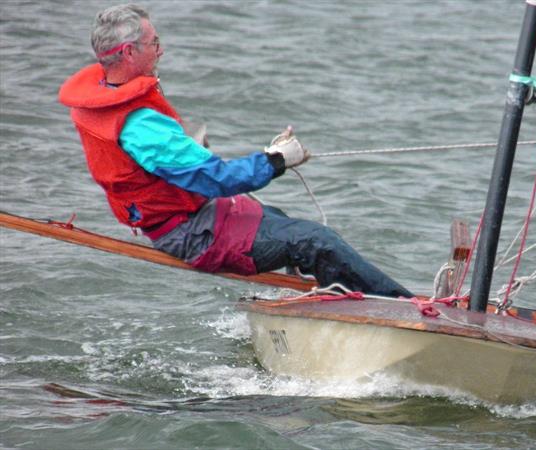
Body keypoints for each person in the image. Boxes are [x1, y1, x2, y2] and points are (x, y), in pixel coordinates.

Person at [59, 3, 413, 298]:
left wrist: (260, 158)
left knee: (278, 217)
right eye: (154, 42)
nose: (161, 49)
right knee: (316, 241)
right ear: (128, 51)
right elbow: (216, 179)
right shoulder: (139, 125)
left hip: (184, 217)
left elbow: (154, 166)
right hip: (192, 233)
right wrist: (274, 161)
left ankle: (330, 303)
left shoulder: (101, 100)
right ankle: (407, 309)